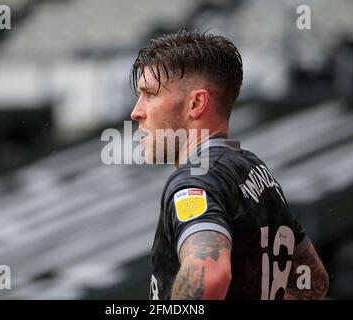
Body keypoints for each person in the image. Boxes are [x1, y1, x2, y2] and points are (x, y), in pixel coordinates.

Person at [130, 30, 329, 300]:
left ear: (196, 103)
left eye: (149, 94)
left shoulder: (193, 181)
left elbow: (210, 276)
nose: (136, 112)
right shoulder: (254, 170)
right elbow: (311, 281)